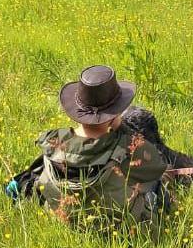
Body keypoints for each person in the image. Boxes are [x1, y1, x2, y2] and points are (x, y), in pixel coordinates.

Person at [20, 65, 169, 236]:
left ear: (77, 110)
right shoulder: (125, 147)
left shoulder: (53, 141)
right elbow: (157, 166)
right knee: (156, 185)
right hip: (120, 233)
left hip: (65, 224)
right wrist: (123, 127)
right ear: (115, 114)